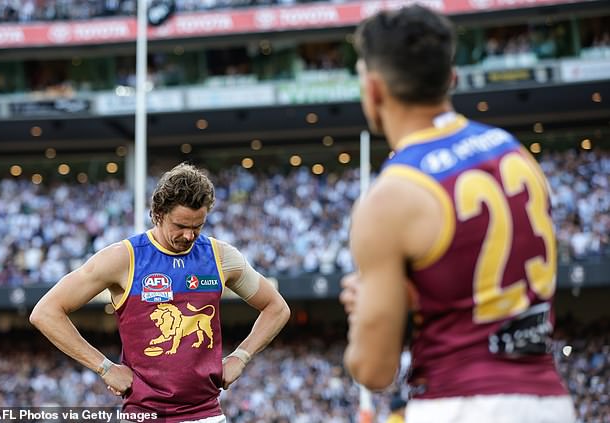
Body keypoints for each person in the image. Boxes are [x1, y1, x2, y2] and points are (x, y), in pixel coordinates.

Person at [339, 6, 575, 423]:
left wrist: (369, 311)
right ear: (451, 79)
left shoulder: (390, 196)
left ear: (373, 90)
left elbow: (374, 370)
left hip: (460, 402)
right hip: (550, 399)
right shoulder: (512, 149)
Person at [30, 163, 290, 423]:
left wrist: (241, 357)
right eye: (180, 225)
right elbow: (46, 312)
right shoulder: (124, 258)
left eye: (197, 226)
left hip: (206, 415)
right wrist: (104, 367)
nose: (189, 235)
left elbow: (277, 308)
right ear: (157, 214)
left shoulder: (220, 256)